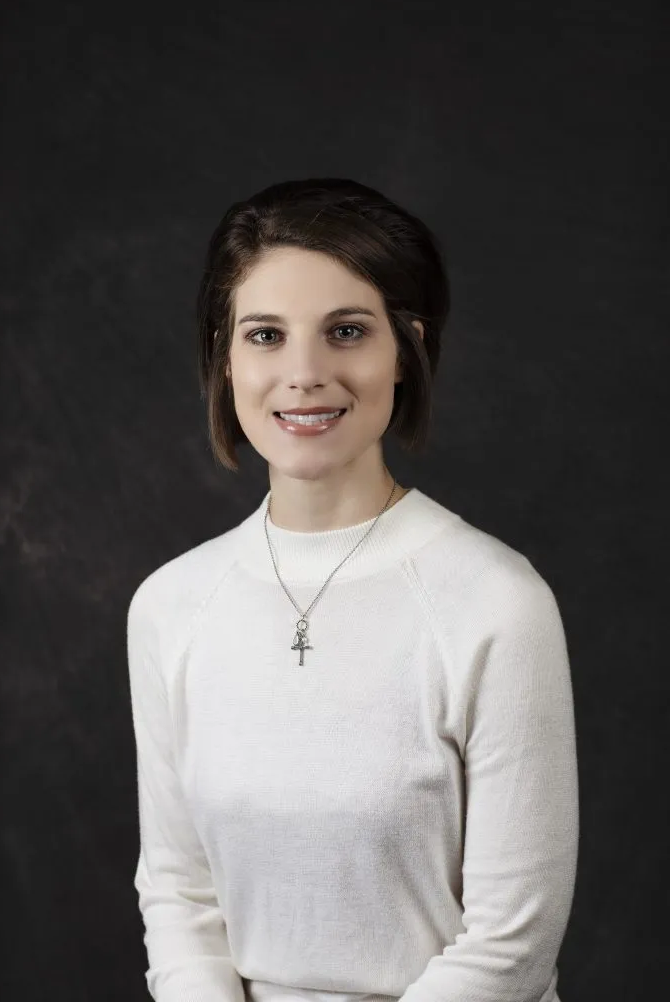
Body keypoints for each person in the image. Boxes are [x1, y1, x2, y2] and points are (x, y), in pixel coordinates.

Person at [126, 177, 579, 1002]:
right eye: (265, 334)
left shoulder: (496, 603)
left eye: (345, 331)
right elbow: (179, 894)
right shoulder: (169, 605)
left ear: (404, 348)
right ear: (223, 355)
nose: (303, 373)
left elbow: (512, 939)